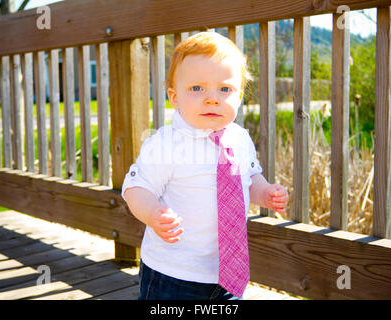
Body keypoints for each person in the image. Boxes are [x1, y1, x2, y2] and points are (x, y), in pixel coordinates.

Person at [121, 32, 288, 300]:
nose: (212, 98)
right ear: (174, 97)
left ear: (240, 96)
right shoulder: (166, 143)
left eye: (225, 89)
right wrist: (152, 213)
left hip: (228, 274)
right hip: (173, 274)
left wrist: (265, 192)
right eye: (197, 88)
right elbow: (135, 187)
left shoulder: (240, 138)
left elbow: (250, 177)